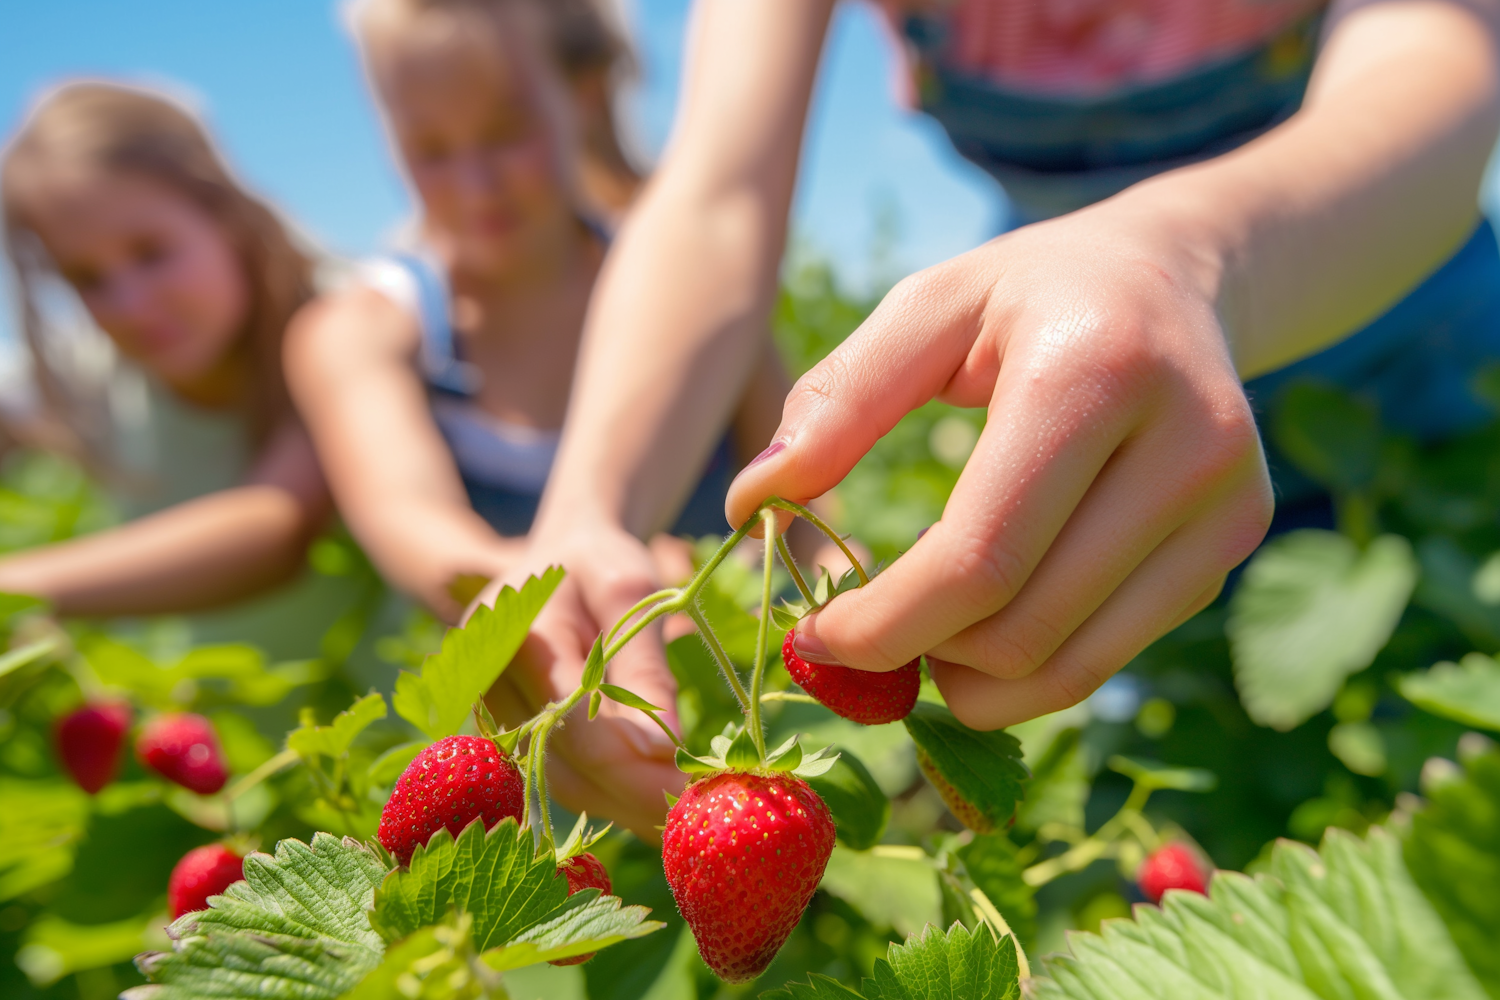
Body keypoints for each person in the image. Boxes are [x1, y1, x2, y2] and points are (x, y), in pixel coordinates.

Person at [486, 0, 1500, 835]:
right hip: (1086, 435)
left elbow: (1441, 65)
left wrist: (1181, 257)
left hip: (1426, 417)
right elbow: (717, 196)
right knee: (1169, 824)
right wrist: (590, 506)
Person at [285, 0, 801, 831]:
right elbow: (410, 522)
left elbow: (800, 502)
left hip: (754, 724)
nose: (476, 183)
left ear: (584, 97)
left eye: (506, 130)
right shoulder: (363, 331)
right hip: (543, 768)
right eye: (431, 150)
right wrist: (538, 591)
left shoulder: (693, 295)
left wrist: (785, 616)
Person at [0, 82, 330, 616]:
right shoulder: (94, 374)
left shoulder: (340, 329)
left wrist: (9, 593)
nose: (129, 305)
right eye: (86, 278)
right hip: (191, 697)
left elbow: (274, 528)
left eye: (150, 253)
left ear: (225, 214)